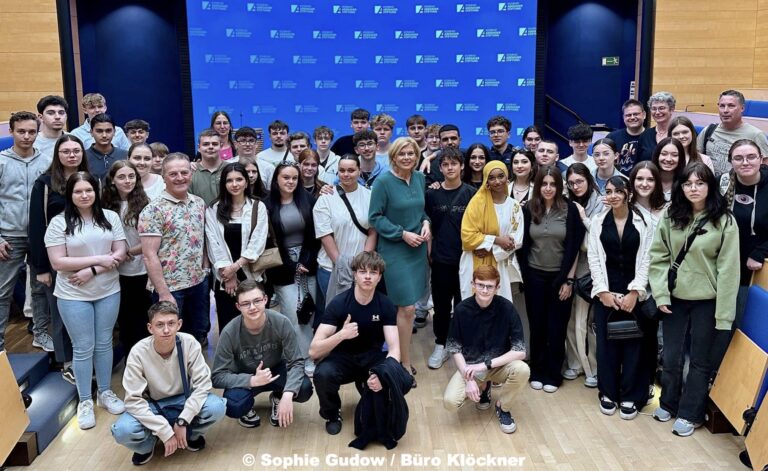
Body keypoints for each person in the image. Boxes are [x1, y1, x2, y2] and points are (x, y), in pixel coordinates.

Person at [649, 162, 740, 437]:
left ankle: (691, 413)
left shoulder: (724, 220)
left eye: (700, 183)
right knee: (673, 355)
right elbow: (658, 257)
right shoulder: (671, 215)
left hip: (707, 301)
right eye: (688, 183)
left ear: (710, 186)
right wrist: (661, 294)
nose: (693, 188)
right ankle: (668, 402)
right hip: (675, 297)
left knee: (700, 361)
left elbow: (728, 269)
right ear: (681, 187)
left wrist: (724, 314)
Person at [44, 171, 127, 429]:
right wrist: (100, 259)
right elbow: (58, 261)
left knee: (104, 343)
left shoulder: (110, 217)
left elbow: (120, 251)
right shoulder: (59, 223)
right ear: (70, 194)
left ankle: (105, 392)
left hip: (108, 289)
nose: (84, 195)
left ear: (96, 191)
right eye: (78, 191)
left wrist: (93, 269)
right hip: (73, 294)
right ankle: (84, 400)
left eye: (88, 190)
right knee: (83, 347)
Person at [111, 301, 226, 466]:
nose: (166, 330)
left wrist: (183, 421)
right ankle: (146, 445)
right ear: (150, 328)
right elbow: (133, 401)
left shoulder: (189, 343)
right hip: (153, 405)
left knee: (217, 407)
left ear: (179, 324)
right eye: (160, 325)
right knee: (122, 430)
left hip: (183, 400)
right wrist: (164, 430)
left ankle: (190, 435)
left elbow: (203, 385)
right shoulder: (138, 352)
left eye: (171, 323)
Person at [309, 251, 401, 435]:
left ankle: (368, 390)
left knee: (392, 380)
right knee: (323, 374)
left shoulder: (386, 305)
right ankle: (332, 414)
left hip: (372, 358)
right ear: (354, 274)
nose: (367, 277)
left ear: (379, 277)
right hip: (343, 359)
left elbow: (394, 348)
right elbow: (313, 351)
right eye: (362, 271)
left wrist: (384, 374)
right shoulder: (339, 304)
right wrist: (341, 334)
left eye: (373, 272)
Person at [587, 176, 654, 419]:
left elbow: (648, 258)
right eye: (609, 191)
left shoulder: (646, 221)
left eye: (618, 191)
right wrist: (602, 291)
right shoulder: (598, 222)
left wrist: (635, 291)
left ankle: (631, 395)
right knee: (607, 346)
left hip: (635, 295)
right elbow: (594, 259)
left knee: (635, 347)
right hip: (607, 294)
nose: (613, 195)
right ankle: (608, 392)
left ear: (628, 192)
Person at [369, 137, 431, 380]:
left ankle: (398, 354)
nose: (407, 157)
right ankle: (403, 364)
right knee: (406, 307)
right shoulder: (383, 182)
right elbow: (375, 217)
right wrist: (402, 233)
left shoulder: (419, 178)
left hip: (417, 251)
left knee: (407, 310)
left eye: (411, 153)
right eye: (402, 153)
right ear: (393, 156)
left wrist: (426, 222)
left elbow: (421, 210)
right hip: (395, 251)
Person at [212, 280, 313, 429]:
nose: (252, 307)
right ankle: (246, 408)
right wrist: (251, 380)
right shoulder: (229, 332)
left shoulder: (281, 322)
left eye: (257, 301)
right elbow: (217, 376)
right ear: (238, 307)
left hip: (276, 371)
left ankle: (278, 396)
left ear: (265, 299)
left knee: (304, 388)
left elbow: (296, 362)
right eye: (246, 303)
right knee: (234, 405)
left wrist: (288, 394)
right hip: (246, 375)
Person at [520, 166, 585, 393]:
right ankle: (537, 370)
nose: (548, 188)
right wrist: (526, 276)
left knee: (556, 328)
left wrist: (569, 280)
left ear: (560, 186)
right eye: (544, 184)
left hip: (560, 278)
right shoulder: (529, 208)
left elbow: (575, 247)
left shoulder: (570, 209)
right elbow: (523, 245)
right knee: (537, 326)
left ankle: (553, 373)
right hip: (534, 276)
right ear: (538, 186)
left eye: (553, 184)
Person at [442, 265, 530, 433]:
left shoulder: (507, 308)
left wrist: (485, 365)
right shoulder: (461, 310)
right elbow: (454, 348)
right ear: (473, 285)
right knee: (450, 403)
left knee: (522, 369)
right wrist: (469, 380)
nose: (484, 290)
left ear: (497, 288)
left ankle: (502, 407)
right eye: (480, 285)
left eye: (489, 286)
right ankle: (483, 387)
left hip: (497, 365)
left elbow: (520, 351)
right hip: (471, 368)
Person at [29, 135, 90, 371]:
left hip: (88, 257)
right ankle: (67, 362)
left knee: (86, 313)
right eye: (66, 151)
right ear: (57, 155)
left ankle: (87, 358)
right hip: (56, 261)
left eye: (76, 150)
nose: (72, 155)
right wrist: (41, 268)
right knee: (61, 314)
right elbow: (36, 226)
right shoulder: (44, 184)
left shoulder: (91, 179)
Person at [138, 153, 210, 345]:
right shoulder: (153, 211)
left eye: (184, 172)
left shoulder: (199, 203)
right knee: (171, 340)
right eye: (173, 174)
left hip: (198, 283)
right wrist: (163, 293)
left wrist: (205, 269)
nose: (180, 178)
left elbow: (201, 239)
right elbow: (149, 255)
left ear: (191, 174)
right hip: (170, 289)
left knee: (199, 334)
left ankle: (195, 373)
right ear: (163, 177)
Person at [0, 111, 51, 352]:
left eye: (32, 131)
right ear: (11, 132)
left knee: (40, 289)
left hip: (41, 236)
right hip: (9, 237)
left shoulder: (46, 162)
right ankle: (0, 342)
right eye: (21, 131)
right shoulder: (1, 161)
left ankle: (40, 333)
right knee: (3, 292)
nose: (27, 136)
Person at [264, 161, 320, 373]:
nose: (290, 181)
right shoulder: (266, 205)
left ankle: (308, 357)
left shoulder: (309, 201)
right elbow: (267, 241)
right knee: (290, 313)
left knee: (307, 312)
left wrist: (306, 260)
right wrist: (291, 264)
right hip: (282, 266)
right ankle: (295, 358)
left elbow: (316, 235)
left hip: (307, 263)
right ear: (276, 180)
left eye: (294, 178)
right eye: (285, 177)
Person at [425, 147, 477, 369]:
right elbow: (426, 222)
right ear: (440, 168)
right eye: (445, 164)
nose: (449, 168)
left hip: (466, 260)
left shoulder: (472, 193)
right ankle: (441, 343)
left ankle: (463, 344)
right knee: (441, 304)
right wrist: (429, 251)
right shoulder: (432, 193)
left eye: (453, 164)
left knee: (465, 303)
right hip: (441, 259)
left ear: (462, 166)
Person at [313, 154, 377, 328]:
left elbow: (372, 230)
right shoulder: (326, 198)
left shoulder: (370, 196)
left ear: (359, 171)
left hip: (362, 269)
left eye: (351, 170)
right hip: (330, 268)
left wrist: (363, 264)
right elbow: (325, 235)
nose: (346, 174)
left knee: (360, 316)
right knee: (334, 317)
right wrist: (342, 265)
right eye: (342, 170)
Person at [205, 163, 268, 330]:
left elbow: (257, 242)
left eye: (239, 179)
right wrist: (228, 274)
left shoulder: (257, 206)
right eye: (229, 180)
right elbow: (213, 243)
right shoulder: (213, 209)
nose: (235, 184)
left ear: (247, 182)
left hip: (251, 273)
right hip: (224, 277)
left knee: (255, 322)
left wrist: (235, 267)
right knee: (229, 324)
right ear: (223, 184)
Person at [102, 161, 152, 354]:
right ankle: (130, 359)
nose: (127, 181)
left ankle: (145, 359)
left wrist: (129, 252)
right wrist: (116, 255)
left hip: (141, 269)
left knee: (142, 317)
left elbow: (152, 239)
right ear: (112, 181)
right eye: (121, 177)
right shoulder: (104, 205)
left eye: (131, 176)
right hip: (114, 270)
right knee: (124, 318)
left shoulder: (145, 204)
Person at [720, 139, 768, 329]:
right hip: (725, 262)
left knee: (746, 322)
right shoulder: (722, 182)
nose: (745, 162)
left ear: (761, 159)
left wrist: (760, 252)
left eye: (751, 157)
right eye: (738, 158)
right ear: (731, 161)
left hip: (757, 265)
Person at [629, 161, 668, 395]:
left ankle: (646, 384)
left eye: (650, 179)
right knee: (630, 336)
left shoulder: (668, 209)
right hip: (631, 282)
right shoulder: (625, 207)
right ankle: (629, 384)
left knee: (651, 337)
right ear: (633, 182)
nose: (644, 184)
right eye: (640, 179)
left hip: (658, 283)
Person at [459, 161, 524, 302]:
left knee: (498, 308)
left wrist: (491, 251)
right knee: (473, 305)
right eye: (492, 177)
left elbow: (516, 240)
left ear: (507, 177)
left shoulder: (514, 206)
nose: (497, 181)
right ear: (486, 180)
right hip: (472, 261)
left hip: (500, 264)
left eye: (501, 176)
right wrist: (497, 240)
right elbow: (467, 236)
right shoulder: (476, 203)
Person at [563, 163, 603, 388]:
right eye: (571, 183)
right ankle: (575, 363)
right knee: (572, 321)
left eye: (579, 181)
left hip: (591, 271)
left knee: (586, 322)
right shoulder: (567, 202)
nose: (575, 186)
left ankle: (592, 368)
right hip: (570, 269)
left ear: (589, 180)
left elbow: (595, 240)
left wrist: (581, 216)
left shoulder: (600, 202)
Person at [698, 89, 768, 177]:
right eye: (722, 106)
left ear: (742, 108)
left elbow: (765, 169)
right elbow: (695, 157)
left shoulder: (756, 135)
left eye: (731, 106)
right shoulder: (709, 130)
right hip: (712, 186)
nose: (725, 110)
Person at [606, 99, 647, 175]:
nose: (632, 117)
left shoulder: (651, 136)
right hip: (618, 183)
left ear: (644, 115)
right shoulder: (612, 137)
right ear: (623, 117)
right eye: (628, 115)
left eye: (636, 114)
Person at [84, 113, 128, 181]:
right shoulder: (83, 157)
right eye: (99, 131)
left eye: (108, 131)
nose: (104, 135)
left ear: (114, 132)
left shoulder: (125, 155)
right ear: (91, 132)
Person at [638, 91, 676, 162]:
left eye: (661, 108)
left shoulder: (680, 134)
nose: (657, 112)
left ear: (671, 109)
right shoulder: (645, 135)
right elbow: (638, 162)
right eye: (654, 109)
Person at [189, 129, 223, 205]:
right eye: (206, 144)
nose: (210, 147)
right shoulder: (191, 172)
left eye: (214, 144)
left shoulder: (231, 169)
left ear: (221, 146)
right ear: (199, 148)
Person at [34, 95, 69, 160]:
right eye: (51, 113)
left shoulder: (74, 139)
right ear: (40, 117)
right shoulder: (32, 142)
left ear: (66, 116)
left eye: (61, 113)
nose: (57, 117)